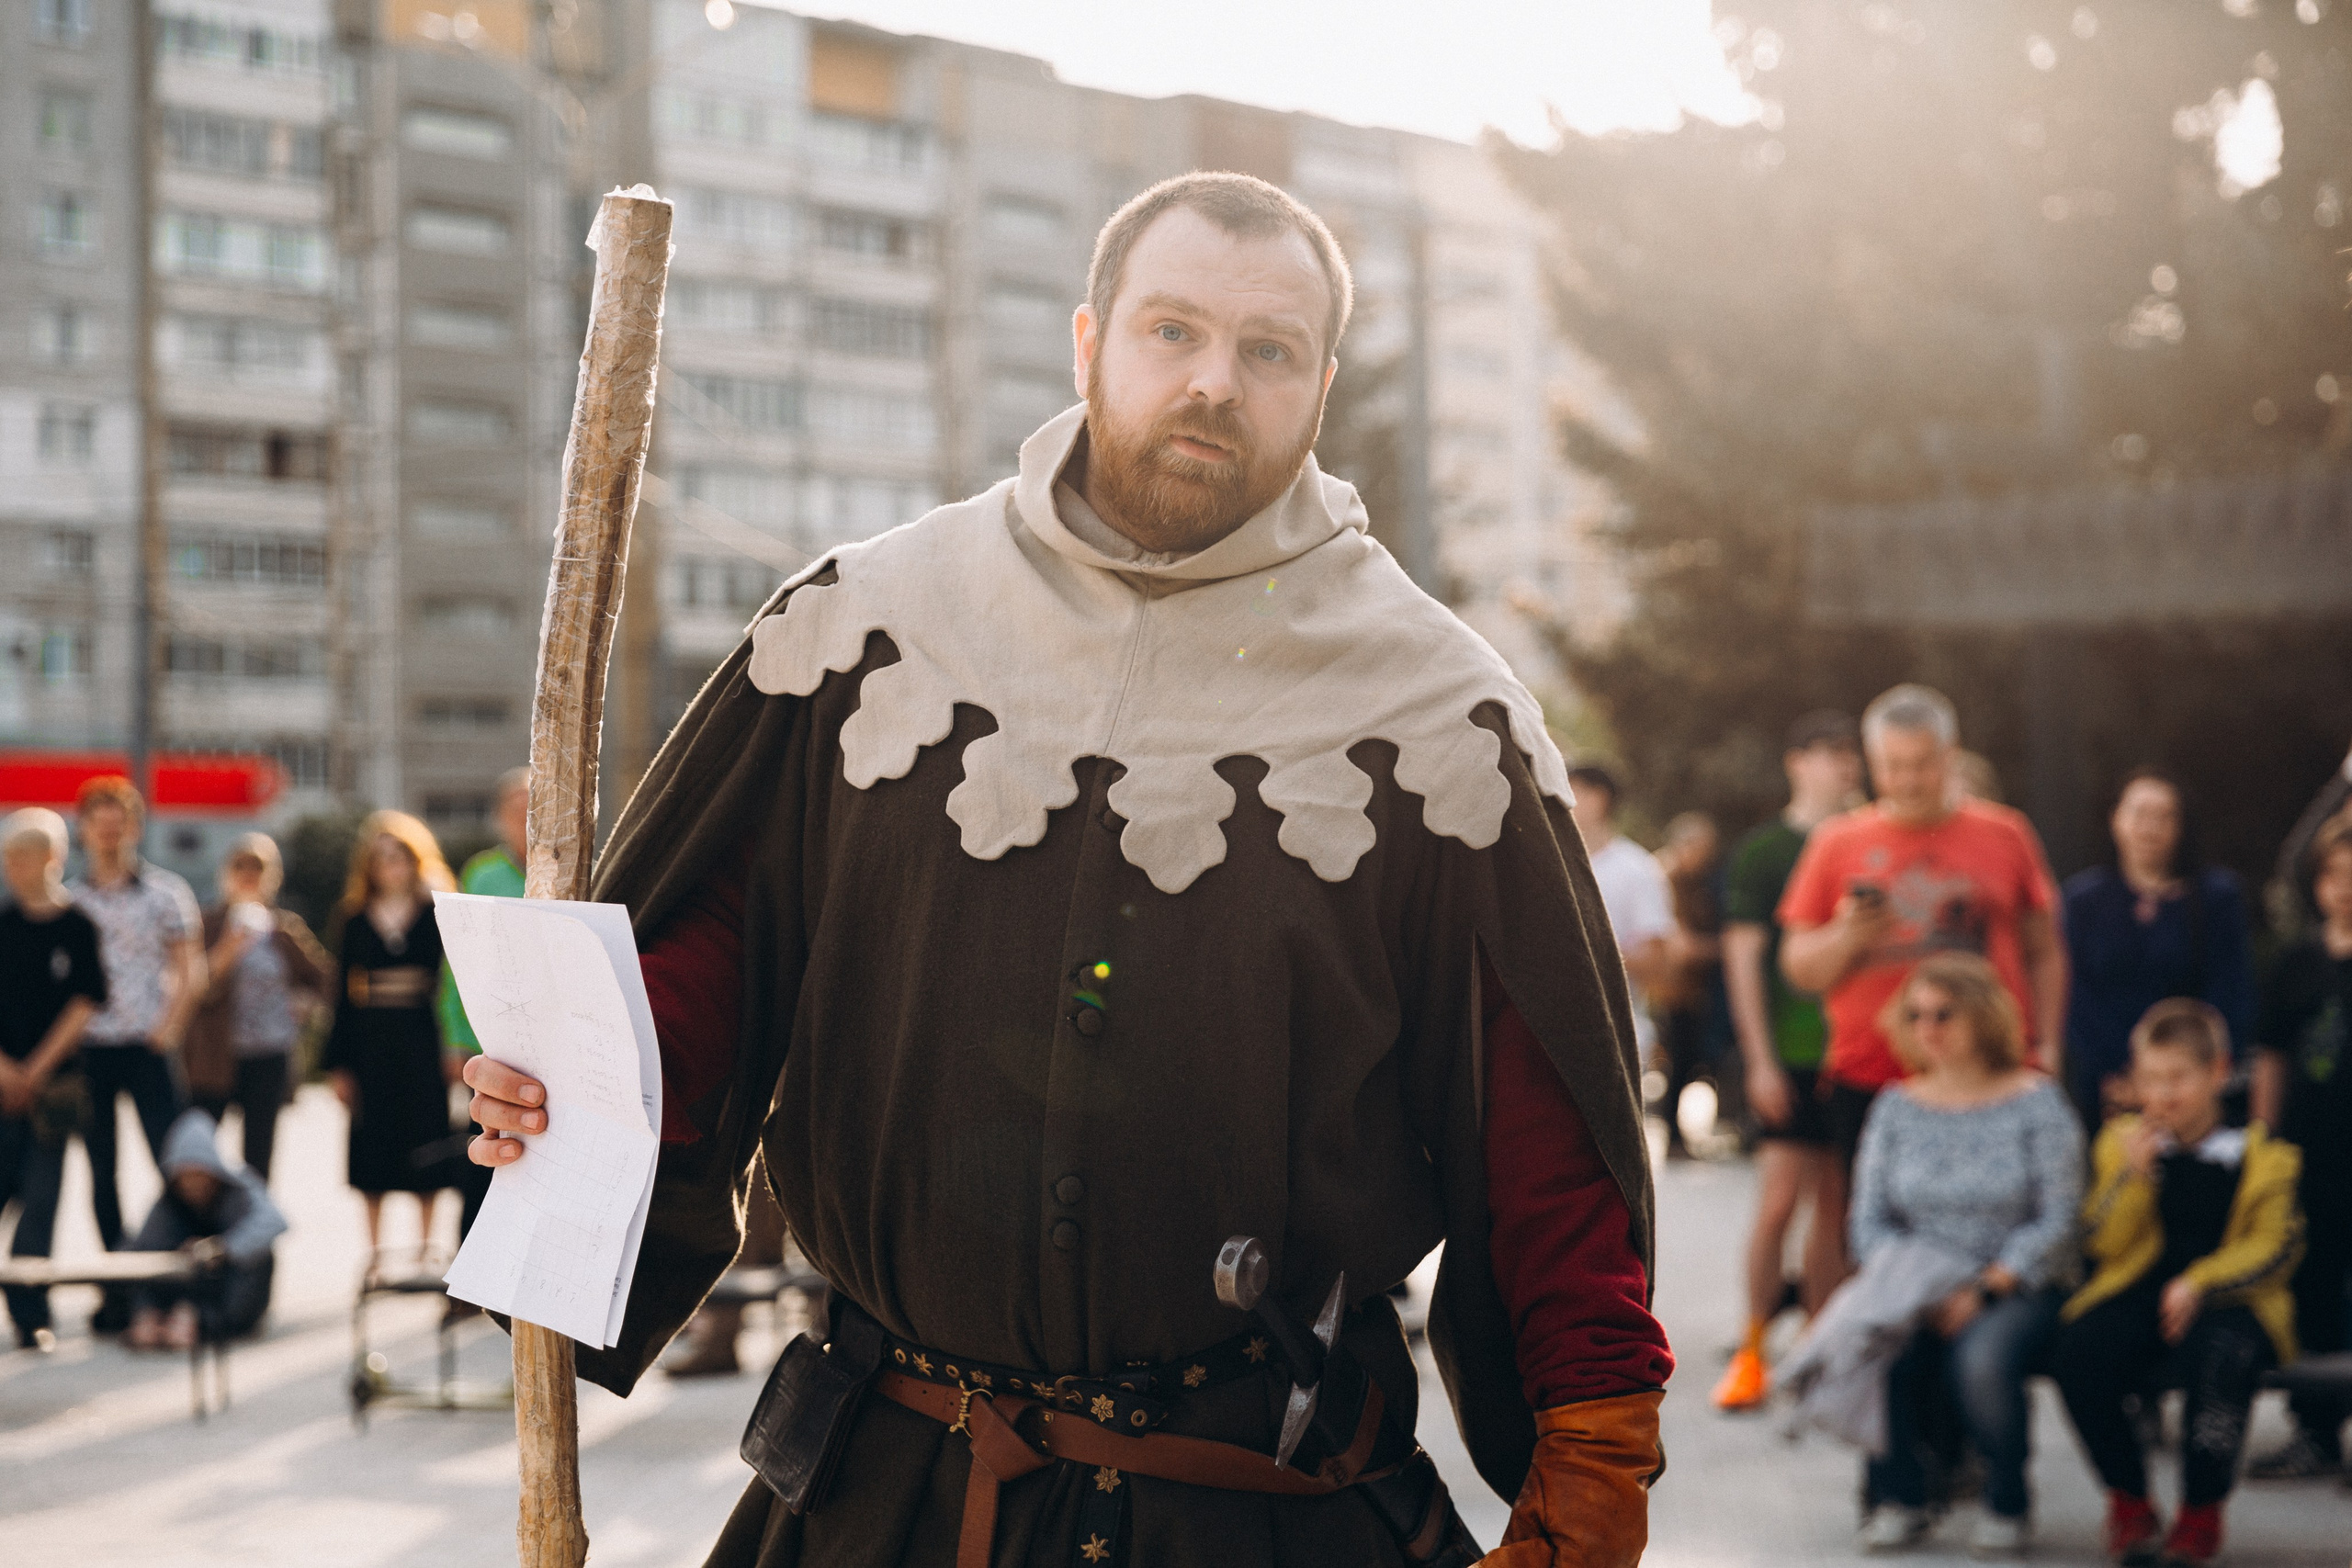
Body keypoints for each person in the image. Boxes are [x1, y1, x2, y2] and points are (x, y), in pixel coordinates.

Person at [465, 172, 1671, 1568]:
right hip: (889, 1497)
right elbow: (702, 970)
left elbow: (1548, 1149)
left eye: (1268, 350)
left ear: (1320, 386)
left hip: (1264, 1508)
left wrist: (1590, 1477)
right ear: (1091, 342)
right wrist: (568, 1085)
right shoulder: (867, 634)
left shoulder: (1436, 721)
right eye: (1175, 331)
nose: (1215, 382)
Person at [1780, 684, 2067, 1184]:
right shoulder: (1836, 842)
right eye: (1893, 765)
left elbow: (2044, 952)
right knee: (1878, 1241)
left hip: (1990, 1073)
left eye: (1922, 764)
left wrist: (2047, 1045)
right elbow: (1799, 970)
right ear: (1872, 762)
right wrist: (1847, 934)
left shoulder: (2007, 833)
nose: (1908, 781)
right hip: (1871, 1076)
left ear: (1950, 755)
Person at [1845, 953, 2083, 1556]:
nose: (1928, 1027)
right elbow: (1868, 1220)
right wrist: (1917, 1286)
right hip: (1918, 1282)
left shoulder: (2037, 1102)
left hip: (2016, 1282)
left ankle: (2006, 1494)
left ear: (1983, 1014)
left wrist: (1986, 1287)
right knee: (1878, 1343)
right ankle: (1902, 1495)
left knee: (1981, 1357)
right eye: (1915, 1014)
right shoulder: (1895, 1106)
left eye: (1944, 1013)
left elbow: (2060, 1217)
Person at [2052, 999, 2302, 1568]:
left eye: (2178, 1078)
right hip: (2143, 1290)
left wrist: (2199, 1283)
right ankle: (2129, 1500)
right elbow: (2100, 1243)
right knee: (2078, 1352)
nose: (2162, 1095)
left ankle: (2200, 1511)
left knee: (2223, 1356)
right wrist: (2133, 1180)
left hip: (2231, 1300)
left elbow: (2274, 1249)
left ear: (2217, 1072)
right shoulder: (2121, 1143)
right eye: (2150, 1079)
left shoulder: (2264, 1156)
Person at [1713, 710, 1863, 1411]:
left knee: (1836, 1208)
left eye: (1850, 755)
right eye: (1829, 754)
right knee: (1778, 1202)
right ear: (1796, 761)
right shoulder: (1765, 850)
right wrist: (1760, 1059)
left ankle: (1821, 1350)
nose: (1843, 767)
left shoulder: (1868, 840)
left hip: (1856, 1053)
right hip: (1792, 1053)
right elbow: (1744, 960)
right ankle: (1752, 1346)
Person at [2245, 816, 2352, 1482]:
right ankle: (2315, 1432)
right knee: (2311, 1290)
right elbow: (2272, 1056)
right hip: (2311, 1156)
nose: (2344, 890)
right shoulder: (2297, 962)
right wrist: (2265, 1140)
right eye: (2333, 876)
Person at [2062, 770, 2255, 1131]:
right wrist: (2130, 1074)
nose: (2150, 828)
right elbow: (2074, 994)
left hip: (2193, 1088)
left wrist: (2175, 1077)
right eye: (2139, 814)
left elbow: (2231, 988)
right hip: (2109, 1088)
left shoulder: (2217, 898)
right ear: (2115, 819)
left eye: (2164, 816)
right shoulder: (2082, 901)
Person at [66, 776, 202, 1269]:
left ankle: (178, 1266)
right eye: (98, 825)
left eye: (117, 825)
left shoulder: (166, 894)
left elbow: (192, 970)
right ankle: (116, 1276)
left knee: (174, 1160)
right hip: (92, 1047)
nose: (108, 835)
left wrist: (167, 1029)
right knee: (102, 1169)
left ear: (134, 829)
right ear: (82, 831)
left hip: (148, 1043)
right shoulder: (70, 902)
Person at [320, 810, 460, 1268]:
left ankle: (426, 1248)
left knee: (428, 1134)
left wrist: (454, 1046)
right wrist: (338, 1065)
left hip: (422, 1033)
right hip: (370, 1038)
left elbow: (454, 985)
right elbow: (340, 994)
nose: (391, 866)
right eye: (381, 859)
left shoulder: (436, 911)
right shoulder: (355, 918)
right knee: (371, 1139)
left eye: (399, 856)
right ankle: (375, 1252)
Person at [0, 808, 108, 1350]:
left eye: (20, 856)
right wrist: (6, 1071)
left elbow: (85, 1003)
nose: (10, 867)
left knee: (41, 1203)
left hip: (56, 1088)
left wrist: (35, 1071)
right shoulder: (1, 925)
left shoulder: (78, 926)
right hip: (0, 1084)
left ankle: (29, 1313)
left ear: (51, 858)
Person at [184, 834, 331, 1182]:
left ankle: (255, 1227)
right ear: (226, 874)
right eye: (240, 866)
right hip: (215, 1055)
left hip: (268, 1052)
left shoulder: (284, 928)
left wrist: (305, 1005)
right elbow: (195, 987)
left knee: (259, 1152)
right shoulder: (209, 923)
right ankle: (205, 1225)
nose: (248, 875)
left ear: (272, 877)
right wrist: (229, 947)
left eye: (258, 868)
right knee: (198, 1148)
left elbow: (323, 978)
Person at [435, 766, 529, 1244]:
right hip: (487, 1036)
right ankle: (469, 1268)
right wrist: (454, 1037)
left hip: (544, 1033)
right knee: (481, 1149)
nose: (527, 819)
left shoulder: (579, 867)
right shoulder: (483, 872)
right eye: (517, 811)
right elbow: (458, 966)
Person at [122, 1108, 288, 1349]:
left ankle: (201, 1321)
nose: (193, 1185)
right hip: (184, 1289)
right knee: (133, 1255)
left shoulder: (239, 1188)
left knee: (260, 1258)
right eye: (186, 1176)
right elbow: (143, 1248)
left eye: (200, 1175)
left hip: (226, 1287)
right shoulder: (169, 1203)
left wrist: (222, 1248)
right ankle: (156, 1318)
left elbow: (276, 1221)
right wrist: (144, 1306)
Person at [1569, 761, 1677, 1072]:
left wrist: (1583, 951)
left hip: (1616, 1038)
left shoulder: (1637, 868)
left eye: (1572, 789)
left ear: (1599, 798)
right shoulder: (1547, 868)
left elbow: (1657, 960)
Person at [1651, 812, 1725, 1159]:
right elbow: (1681, 949)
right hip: (1671, 992)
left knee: (1691, 1064)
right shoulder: (1664, 878)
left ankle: (1680, 1137)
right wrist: (1728, 947)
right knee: (1677, 1065)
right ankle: (1673, 1140)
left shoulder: (1698, 881)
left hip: (1693, 991)